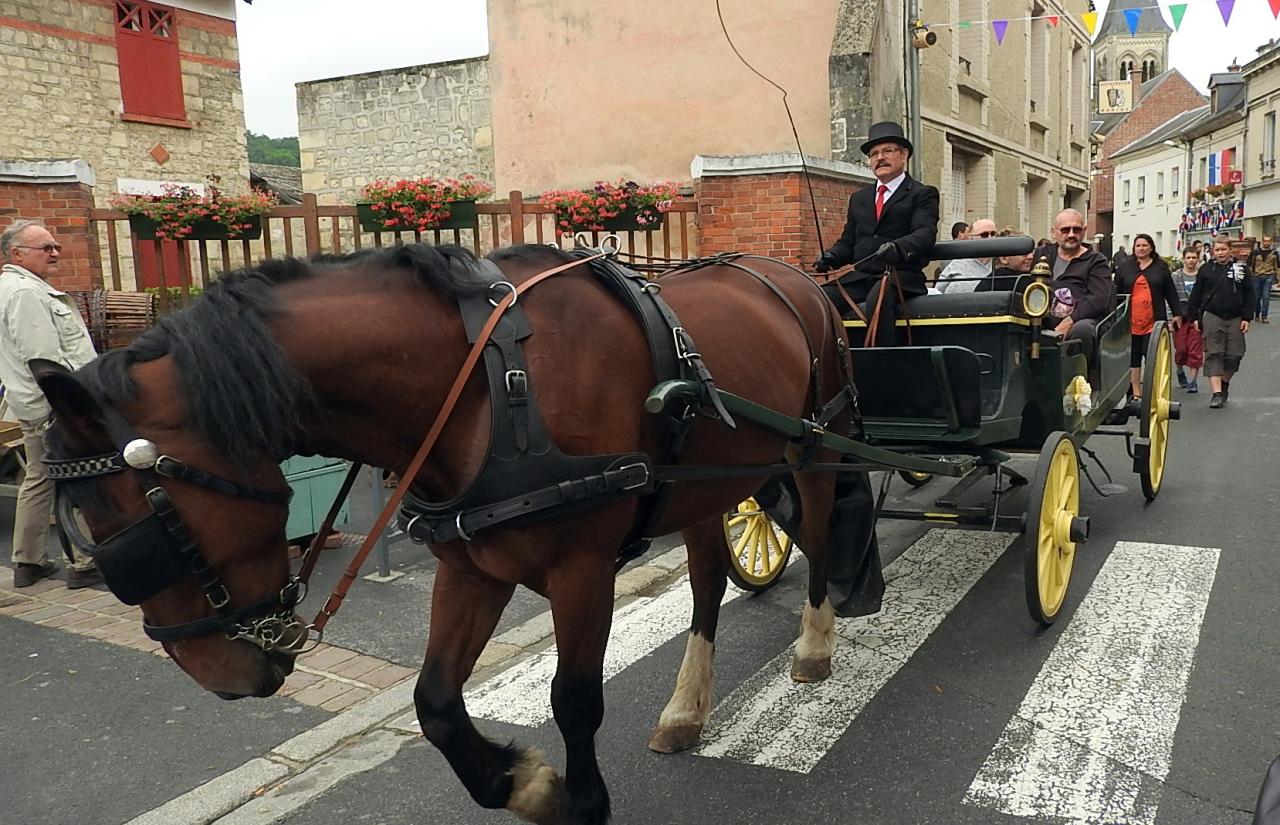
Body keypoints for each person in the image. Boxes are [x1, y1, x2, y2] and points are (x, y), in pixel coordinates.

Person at [0, 220, 102, 588]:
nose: (56, 253)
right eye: (47, 248)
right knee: (77, 474)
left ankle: (28, 562)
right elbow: (44, 360)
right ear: (17, 254)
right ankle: (84, 563)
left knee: (39, 479)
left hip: (35, 405)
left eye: (55, 246)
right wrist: (70, 407)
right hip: (53, 406)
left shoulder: (16, 288)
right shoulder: (25, 293)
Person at [815, 121, 940, 345]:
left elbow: (924, 233)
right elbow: (849, 242)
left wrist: (897, 248)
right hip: (862, 277)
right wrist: (831, 256)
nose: (879, 158)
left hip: (900, 274)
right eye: (874, 154)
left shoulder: (922, 194)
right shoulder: (860, 198)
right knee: (818, 298)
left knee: (879, 298)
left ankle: (882, 364)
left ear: (904, 155)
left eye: (887, 151)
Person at [1032, 209, 1114, 370]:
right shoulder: (1042, 254)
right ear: (1054, 232)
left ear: (1084, 231)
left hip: (1081, 320)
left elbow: (1098, 299)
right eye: (1065, 230)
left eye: (1076, 230)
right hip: (1042, 316)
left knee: (1082, 330)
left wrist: (1068, 322)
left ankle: (1078, 379)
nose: (1071, 234)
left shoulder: (1097, 261)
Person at [1186, 236, 1255, 409]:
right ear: (1212, 251)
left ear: (1230, 250)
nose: (1220, 253)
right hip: (1212, 315)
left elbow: (1249, 294)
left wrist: (1247, 317)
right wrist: (1194, 317)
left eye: (1224, 249)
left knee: (1234, 355)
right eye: (1217, 250)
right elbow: (1196, 294)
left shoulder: (1242, 269)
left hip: (1235, 317)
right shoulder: (1206, 270)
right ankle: (1216, 394)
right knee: (1213, 353)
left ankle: (1224, 383)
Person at [1113, 234, 1182, 404]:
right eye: (1138, 246)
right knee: (1133, 357)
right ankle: (1136, 392)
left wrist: (1177, 314)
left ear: (1151, 247)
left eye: (1145, 245)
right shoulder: (1125, 268)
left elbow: (1170, 293)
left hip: (1154, 321)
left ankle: (1152, 388)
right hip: (1130, 321)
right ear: (1134, 249)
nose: (1141, 248)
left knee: (1151, 356)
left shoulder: (1161, 268)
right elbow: (1116, 293)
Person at [1172, 248, 1205, 393]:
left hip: (1196, 317)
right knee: (1181, 349)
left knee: (1195, 349)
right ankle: (1180, 370)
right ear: (1183, 259)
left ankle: (1193, 381)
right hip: (1181, 317)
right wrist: (1170, 317)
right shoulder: (1176, 276)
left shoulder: (1202, 276)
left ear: (1198, 259)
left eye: (1194, 257)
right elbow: (1170, 298)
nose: (1191, 260)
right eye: (1188, 257)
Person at [935, 218, 996, 294]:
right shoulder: (957, 263)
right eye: (984, 235)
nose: (990, 238)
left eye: (993, 234)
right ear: (971, 237)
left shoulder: (1001, 263)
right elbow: (938, 291)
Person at [1249, 236, 1278, 323]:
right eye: (1265, 241)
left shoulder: (1274, 253)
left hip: (1268, 275)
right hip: (1257, 276)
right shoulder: (1255, 252)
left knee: (1266, 296)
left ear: (1271, 242)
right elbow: (1250, 264)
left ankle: (1264, 315)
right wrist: (1250, 275)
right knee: (1256, 297)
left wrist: (1278, 278)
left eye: (1268, 241)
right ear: (1262, 242)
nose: (1266, 243)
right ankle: (1257, 313)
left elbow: (1277, 266)